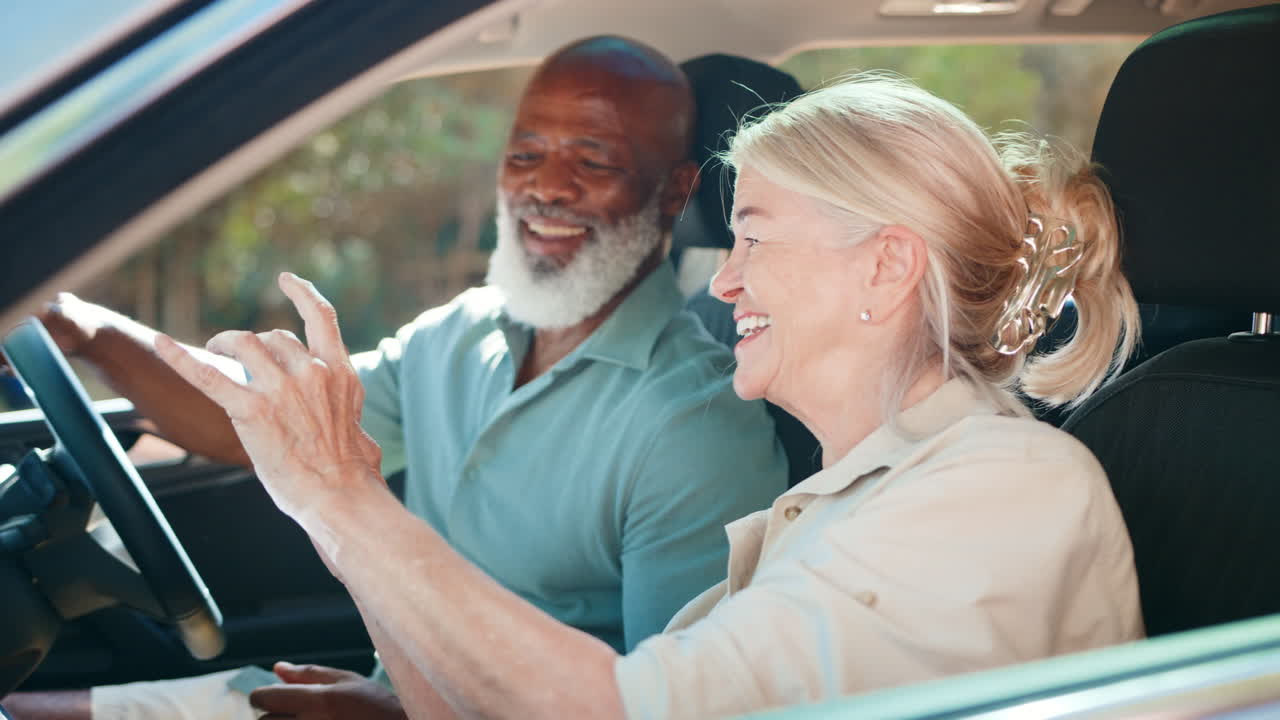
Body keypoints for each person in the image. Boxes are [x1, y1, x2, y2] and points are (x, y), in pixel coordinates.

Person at [151, 72, 1147, 719]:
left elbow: (610, 712)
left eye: (753, 236)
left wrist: (341, 501)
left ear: (885, 270)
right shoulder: (839, 503)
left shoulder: (1001, 488)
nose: (721, 282)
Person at [2, 37, 789, 720]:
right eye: (525, 154)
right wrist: (82, 329)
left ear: (677, 193)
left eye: (595, 160)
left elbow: (663, 709)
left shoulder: (697, 425)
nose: (546, 187)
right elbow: (264, 424)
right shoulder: (465, 330)